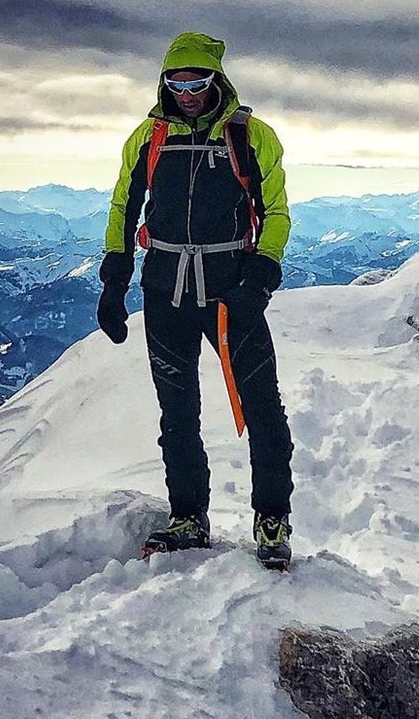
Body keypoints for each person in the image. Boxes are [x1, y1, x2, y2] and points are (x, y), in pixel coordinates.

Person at [97, 32, 295, 568]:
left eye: (197, 81)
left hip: (232, 293)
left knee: (263, 409)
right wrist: (114, 280)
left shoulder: (251, 136)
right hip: (164, 291)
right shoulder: (148, 137)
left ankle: (272, 518)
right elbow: (124, 204)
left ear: (217, 81)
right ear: (164, 82)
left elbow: (275, 211)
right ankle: (188, 516)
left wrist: (259, 280)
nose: (186, 91)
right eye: (176, 81)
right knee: (177, 413)